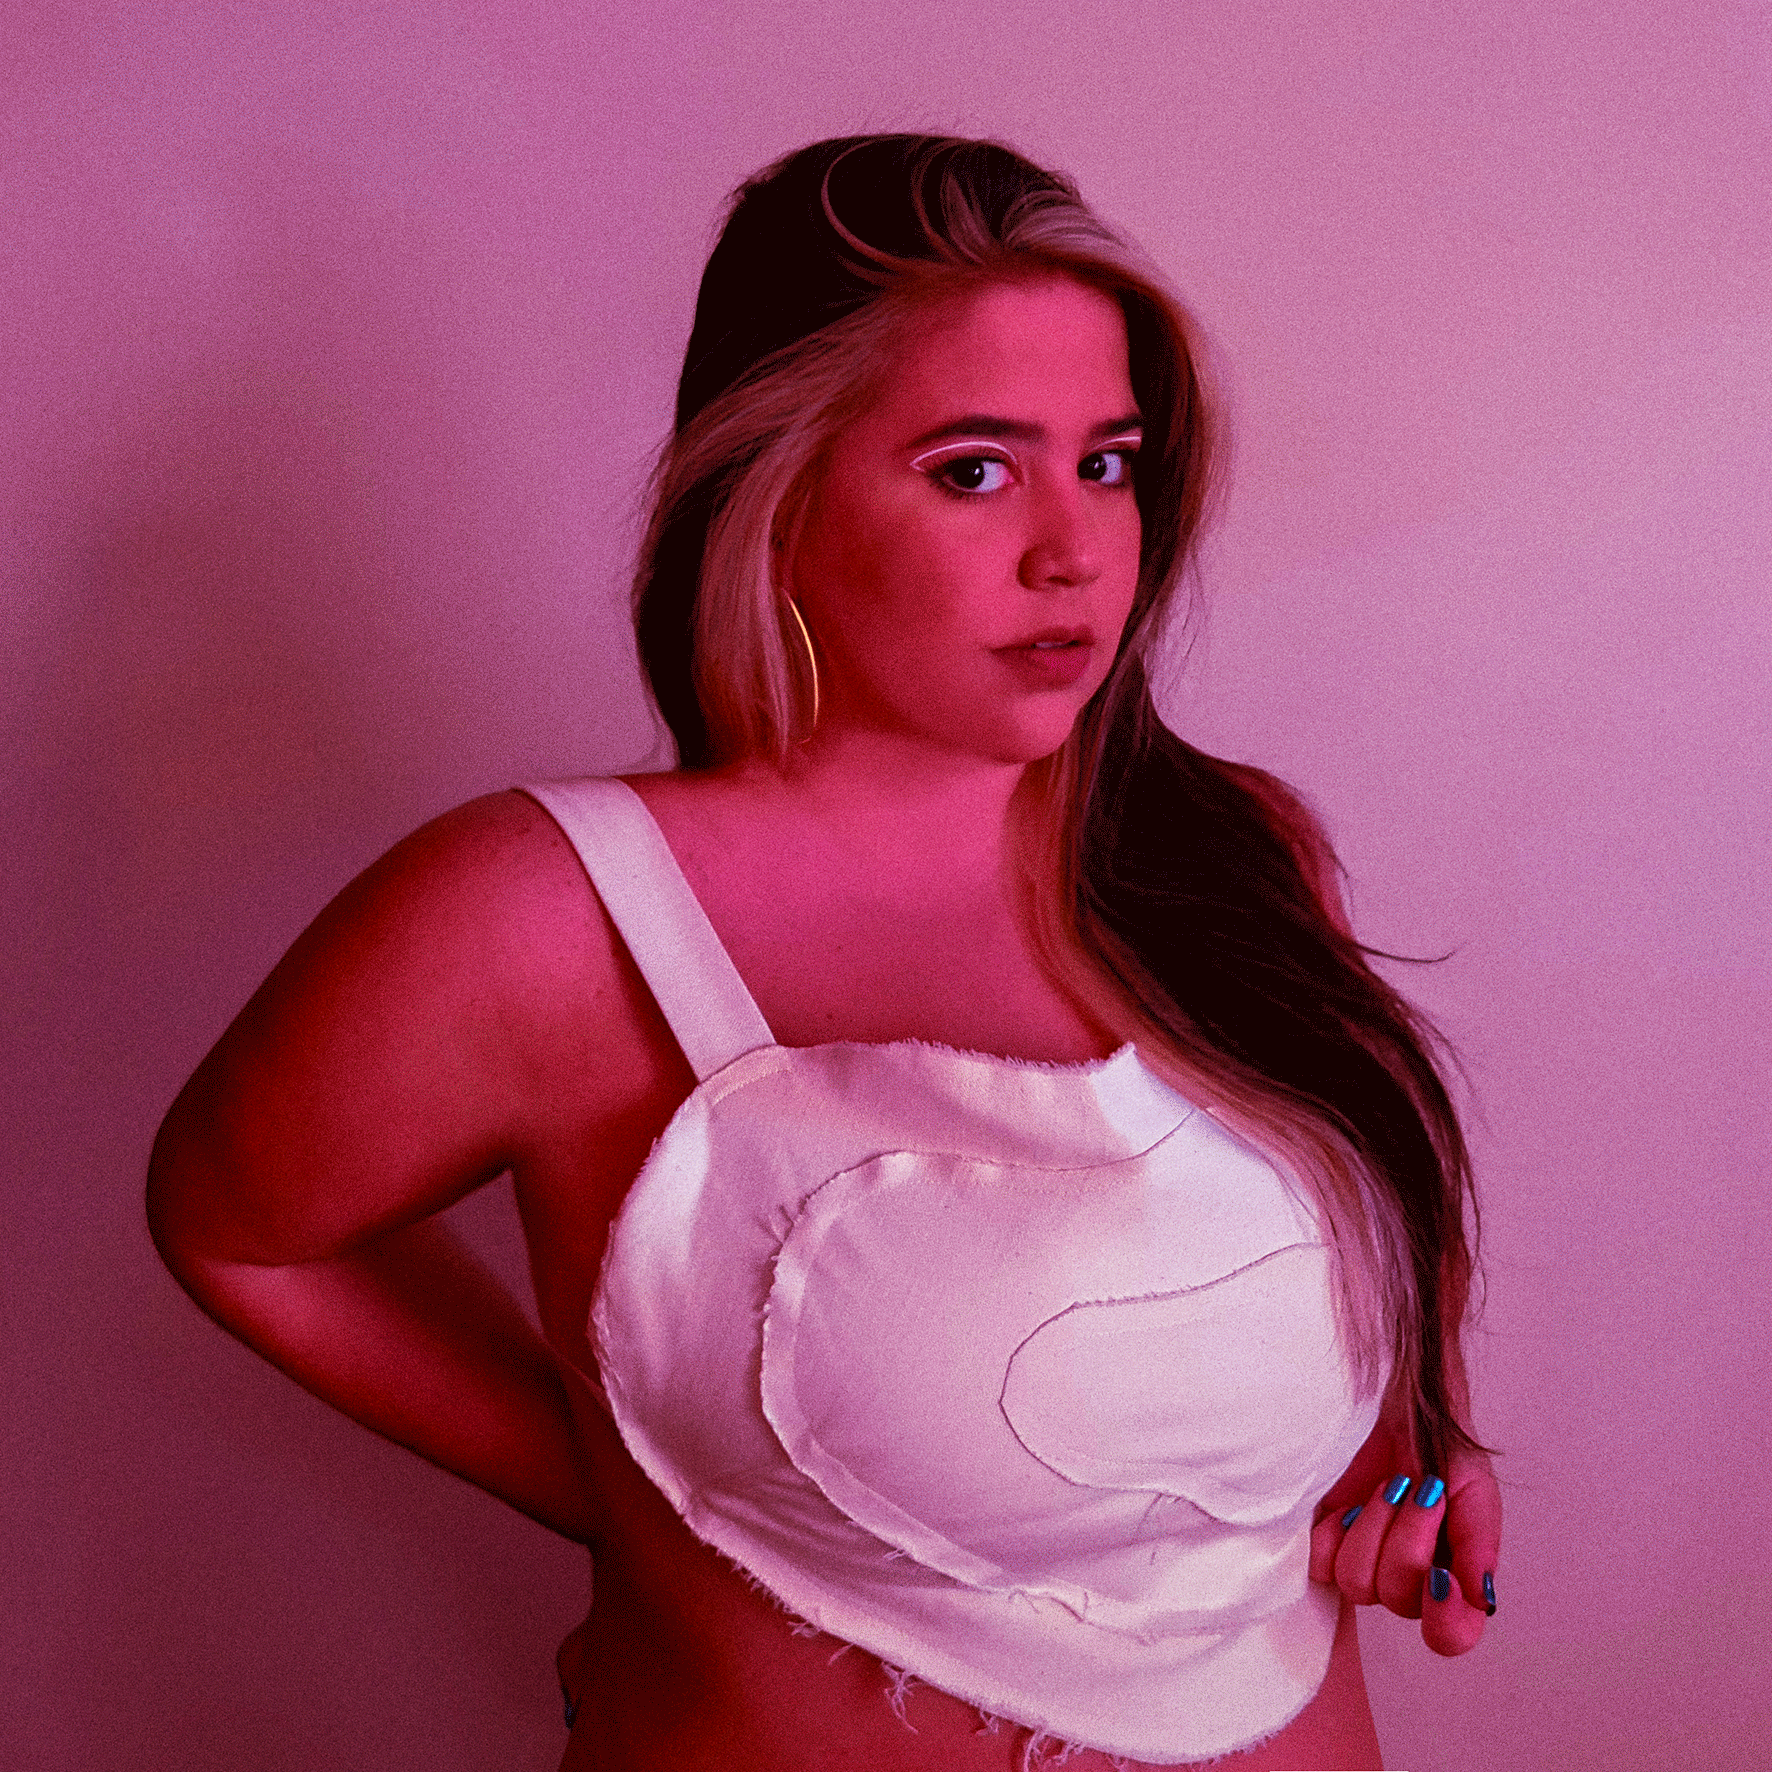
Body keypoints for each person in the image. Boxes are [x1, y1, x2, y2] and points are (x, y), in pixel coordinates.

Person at [146, 134, 1501, 1771]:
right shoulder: (546, 916)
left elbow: (1366, 1198)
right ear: (774, 502)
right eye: (975, 472)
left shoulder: (1240, 857)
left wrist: (1412, 1442)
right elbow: (239, 1228)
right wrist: (633, 1492)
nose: (1076, 550)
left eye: (1110, 463)